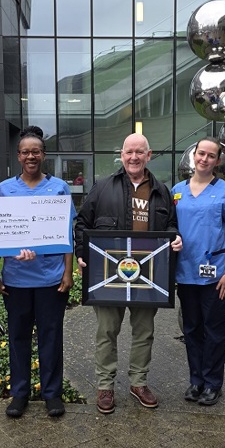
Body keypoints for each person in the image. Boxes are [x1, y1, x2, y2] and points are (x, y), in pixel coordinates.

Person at [74, 133, 182, 414]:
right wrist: (82, 253)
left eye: (139, 152)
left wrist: (174, 237)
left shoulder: (161, 190)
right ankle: (105, 386)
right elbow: (82, 223)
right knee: (106, 331)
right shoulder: (102, 187)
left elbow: (170, 225)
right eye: (128, 152)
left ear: (149, 155)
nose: (133, 157)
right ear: (121, 155)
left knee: (144, 332)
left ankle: (138, 382)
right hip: (109, 274)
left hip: (148, 276)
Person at [0, 127, 74, 419]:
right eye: (25, 152)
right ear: (18, 156)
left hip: (51, 278)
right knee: (18, 337)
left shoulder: (60, 187)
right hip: (16, 279)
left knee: (51, 337)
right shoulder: (5, 188)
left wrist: (68, 272)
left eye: (35, 151)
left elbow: (66, 233)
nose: (30, 156)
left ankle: (52, 395)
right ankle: (20, 393)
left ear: (44, 155)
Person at [172, 138, 225, 406]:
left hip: (216, 274)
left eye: (210, 155)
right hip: (186, 272)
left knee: (215, 331)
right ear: (194, 156)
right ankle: (196, 381)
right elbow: (170, 228)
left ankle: (213, 383)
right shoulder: (177, 191)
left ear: (217, 161)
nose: (204, 159)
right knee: (192, 330)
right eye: (200, 153)